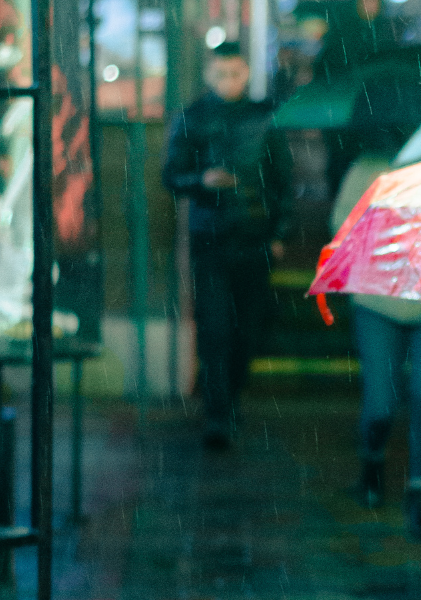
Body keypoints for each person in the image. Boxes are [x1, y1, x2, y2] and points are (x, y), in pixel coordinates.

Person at [328, 143, 421, 543]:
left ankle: (420, 493)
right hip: (377, 301)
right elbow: (342, 227)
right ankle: (372, 466)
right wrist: (388, 242)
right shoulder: (368, 169)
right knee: (380, 403)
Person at [162, 42, 293, 450]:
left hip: (253, 237)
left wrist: (277, 234)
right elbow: (171, 175)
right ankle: (218, 413)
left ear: (245, 74)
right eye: (221, 74)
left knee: (247, 330)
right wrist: (202, 180)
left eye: (235, 74)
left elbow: (282, 181)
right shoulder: (193, 117)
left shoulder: (264, 116)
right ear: (209, 74)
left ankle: (229, 400)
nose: (228, 82)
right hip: (212, 237)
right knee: (217, 328)